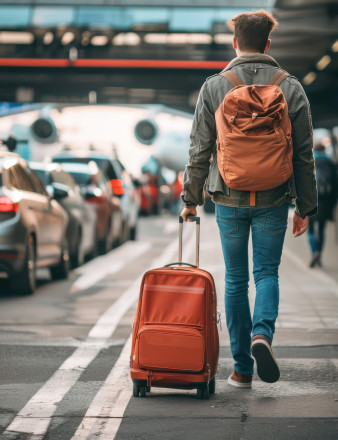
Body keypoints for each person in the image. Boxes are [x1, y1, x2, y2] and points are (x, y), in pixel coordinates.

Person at [180, 10, 318, 388]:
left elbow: (200, 149)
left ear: (235, 42)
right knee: (266, 273)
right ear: (268, 44)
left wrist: (191, 198)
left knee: (236, 279)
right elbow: (303, 153)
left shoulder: (214, 86)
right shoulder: (290, 87)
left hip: (229, 197)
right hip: (275, 197)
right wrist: (306, 206)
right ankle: (262, 335)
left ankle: (241, 368)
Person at [308, 141, 337, 268]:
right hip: (325, 200)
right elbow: (336, 187)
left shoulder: (309, 161)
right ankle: (319, 252)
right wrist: (333, 204)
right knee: (321, 228)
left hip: (311, 199)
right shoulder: (330, 163)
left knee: (310, 228)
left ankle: (314, 251)